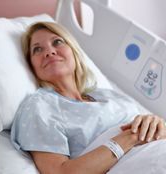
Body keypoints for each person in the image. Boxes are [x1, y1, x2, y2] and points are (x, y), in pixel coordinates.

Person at [11, 21, 166, 174]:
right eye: (37, 49)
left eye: (57, 42)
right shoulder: (40, 106)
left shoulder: (107, 95)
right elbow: (60, 172)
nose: (49, 52)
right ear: (31, 66)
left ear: (74, 51)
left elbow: (151, 129)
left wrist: (156, 125)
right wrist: (131, 137)